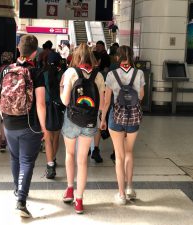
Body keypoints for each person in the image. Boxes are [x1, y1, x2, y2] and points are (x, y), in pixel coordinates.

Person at [0, 34, 48, 218]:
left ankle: (18, 190)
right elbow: (41, 104)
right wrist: (44, 129)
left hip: (9, 123)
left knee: (15, 158)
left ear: (19, 48)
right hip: (29, 124)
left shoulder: (5, 70)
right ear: (34, 53)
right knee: (27, 161)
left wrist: (5, 116)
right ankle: (21, 202)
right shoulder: (37, 73)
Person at [60, 43, 105, 214]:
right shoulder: (99, 76)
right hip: (90, 121)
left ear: (76, 57)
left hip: (72, 119)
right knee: (83, 160)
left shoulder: (70, 73)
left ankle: (70, 189)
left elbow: (65, 101)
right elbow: (101, 103)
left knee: (69, 154)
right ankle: (79, 200)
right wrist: (101, 119)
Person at [100, 45, 145, 205]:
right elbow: (140, 96)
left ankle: (121, 195)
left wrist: (103, 119)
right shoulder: (139, 73)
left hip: (116, 117)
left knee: (119, 156)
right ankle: (129, 188)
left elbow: (106, 101)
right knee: (129, 152)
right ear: (132, 57)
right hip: (133, 117)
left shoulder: (111, 75)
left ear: (117, 57)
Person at [44, 51, 65, 179]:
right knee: (56, 137)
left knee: (48, 138)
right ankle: (54, 158)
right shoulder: (62, 75)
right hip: (58, 108)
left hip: (45, 108)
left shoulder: (43, 74)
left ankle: (50, 164)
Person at [0, 51, 14, 153]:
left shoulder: (0, 70)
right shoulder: (14, 68)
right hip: (13, 97)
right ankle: (13, 143)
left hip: (3, 97)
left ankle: (3, 142)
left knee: (3, 120)